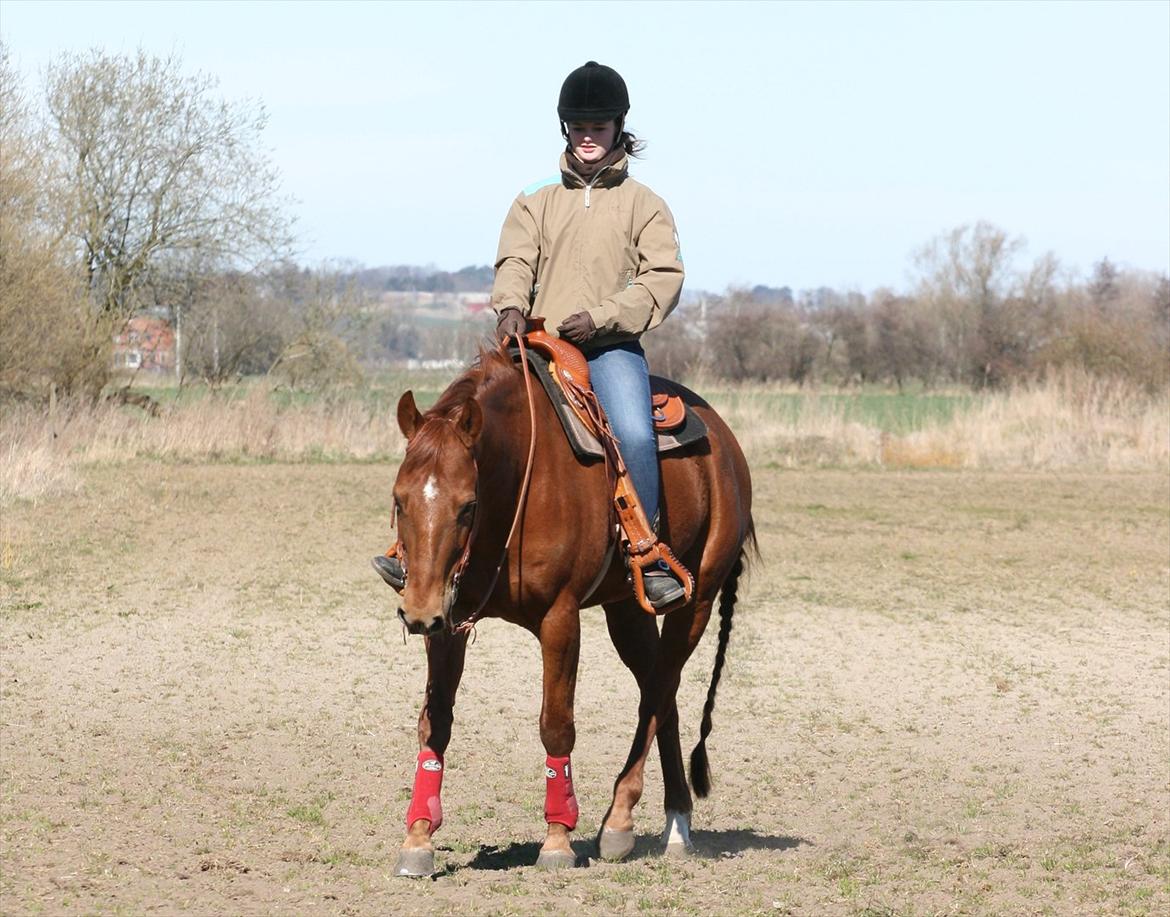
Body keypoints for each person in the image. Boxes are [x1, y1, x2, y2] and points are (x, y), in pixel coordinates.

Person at [494, 60, 686, 609]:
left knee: (633, 430)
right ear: (564, 129)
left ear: (618, 128)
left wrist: (602, 317)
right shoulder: (534, 197)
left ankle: (646, 553)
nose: (587, 138)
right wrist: (509, 306)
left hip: (608, 348)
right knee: (466, 421)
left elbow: (662, 279)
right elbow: (514, 260)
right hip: (536, 343)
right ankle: (437, 551)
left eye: (598, 128)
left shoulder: (644, 204)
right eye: (578, 128)